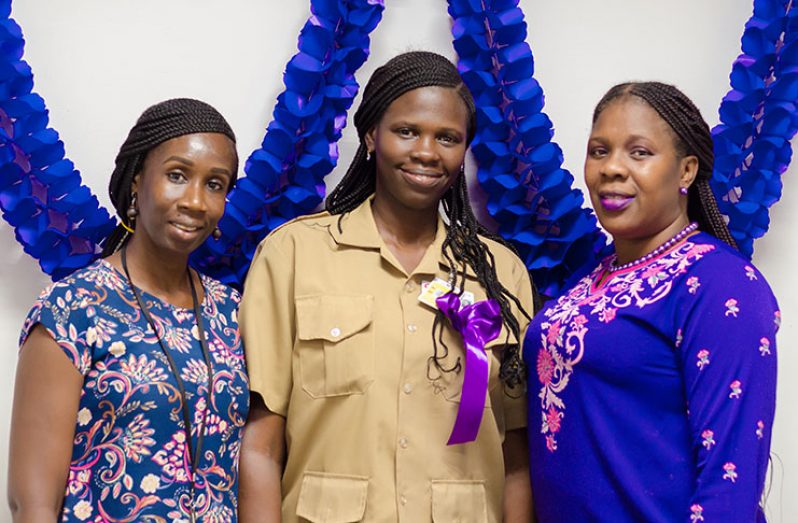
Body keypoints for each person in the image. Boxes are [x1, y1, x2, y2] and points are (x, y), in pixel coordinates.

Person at [238, 51, 537, 522]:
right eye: (407, 131)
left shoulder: (501, 274)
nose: (426, 151)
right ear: (371, 135)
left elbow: (517, 454)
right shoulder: (292, 255)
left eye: (447, 138)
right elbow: (261, 444)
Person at [524, 82, 779, 522]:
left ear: (686, 171)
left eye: (639, 152)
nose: (612, 168)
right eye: (599, 151)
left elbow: (729, 480)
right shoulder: (590, 280)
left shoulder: (720, 283)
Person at [8, 98, 249, 523]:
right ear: (137, 181)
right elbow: (32, 505)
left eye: (215, 184)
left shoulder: (232, 312)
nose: (195, 201)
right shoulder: (72, 309)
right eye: (177, 176)